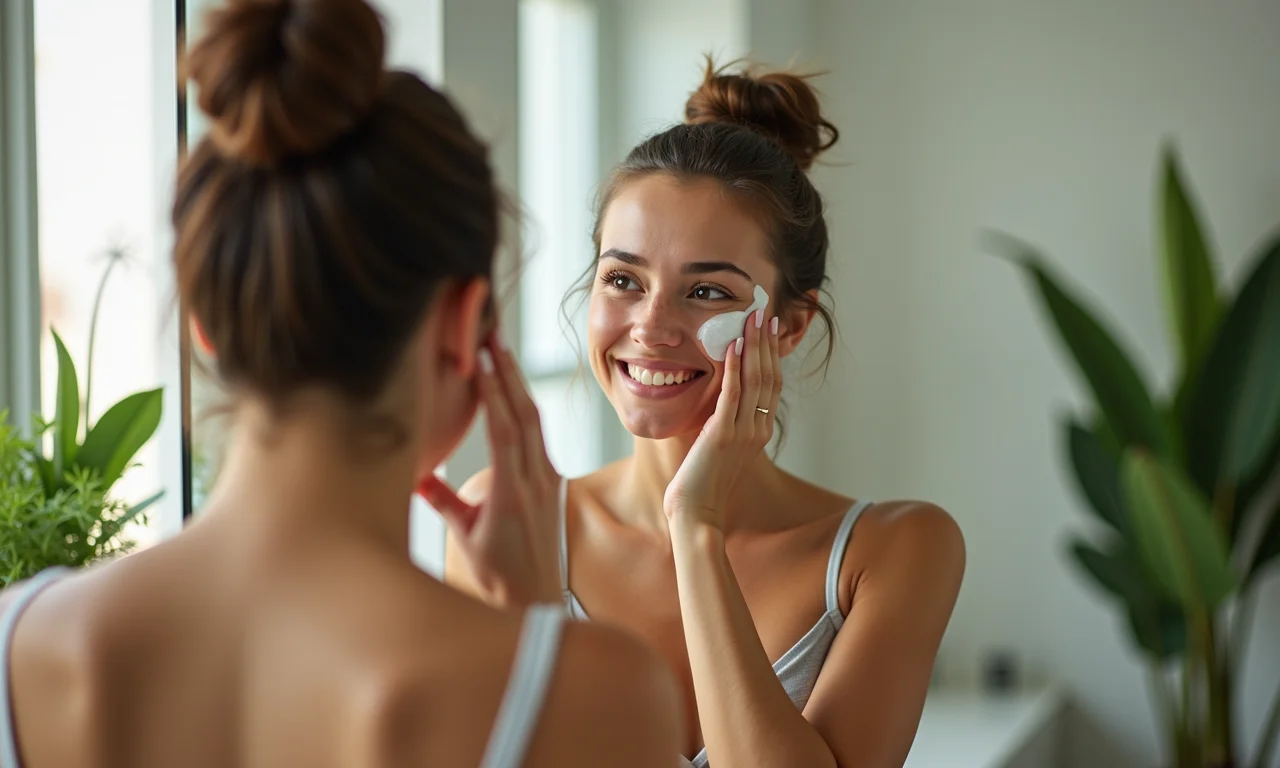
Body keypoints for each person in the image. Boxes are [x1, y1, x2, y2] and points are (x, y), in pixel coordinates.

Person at [0, 1, 683, 766]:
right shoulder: (597, 693)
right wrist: (535, 635)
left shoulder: (18, 647)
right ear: (463, 328)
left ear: (206, 323)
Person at [445, 59, 965, 767]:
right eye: (623, 280)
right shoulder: (507, 526)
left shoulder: (894, 551)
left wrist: (695, 528)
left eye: (709, 293)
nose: (652, 328)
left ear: (788, 324)